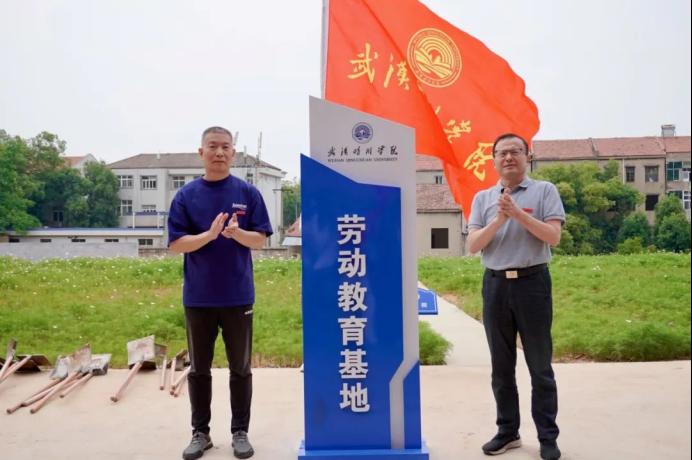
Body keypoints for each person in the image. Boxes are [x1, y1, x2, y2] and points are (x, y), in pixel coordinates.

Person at [168, 126, 273, 460]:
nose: (219, 152)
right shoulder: (186, 196)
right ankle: (200, 433)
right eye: (212, 146)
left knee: (240, 368)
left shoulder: (248, 193)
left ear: (233, 153)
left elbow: (260, 239)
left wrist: (237, 233)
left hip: (238, 295)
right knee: (199, 369)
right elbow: (176, 244)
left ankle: (240, 432)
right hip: (198, 297)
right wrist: (209, 236)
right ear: (201, 152)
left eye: (225, 147)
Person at [467, 133, 565, 460]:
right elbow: (473, 245)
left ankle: (548, 437)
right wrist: (499, 218)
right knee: (501, 366)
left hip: (532, 283)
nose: (509, 157)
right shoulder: (483, 198)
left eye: (515, 151)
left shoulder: (545, 191)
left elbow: (553, 236)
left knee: (540, 365)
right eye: (502, 153)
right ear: (493, 160)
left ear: (527, 157)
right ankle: (508, 431)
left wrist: (518, 214)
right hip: (495, 285)